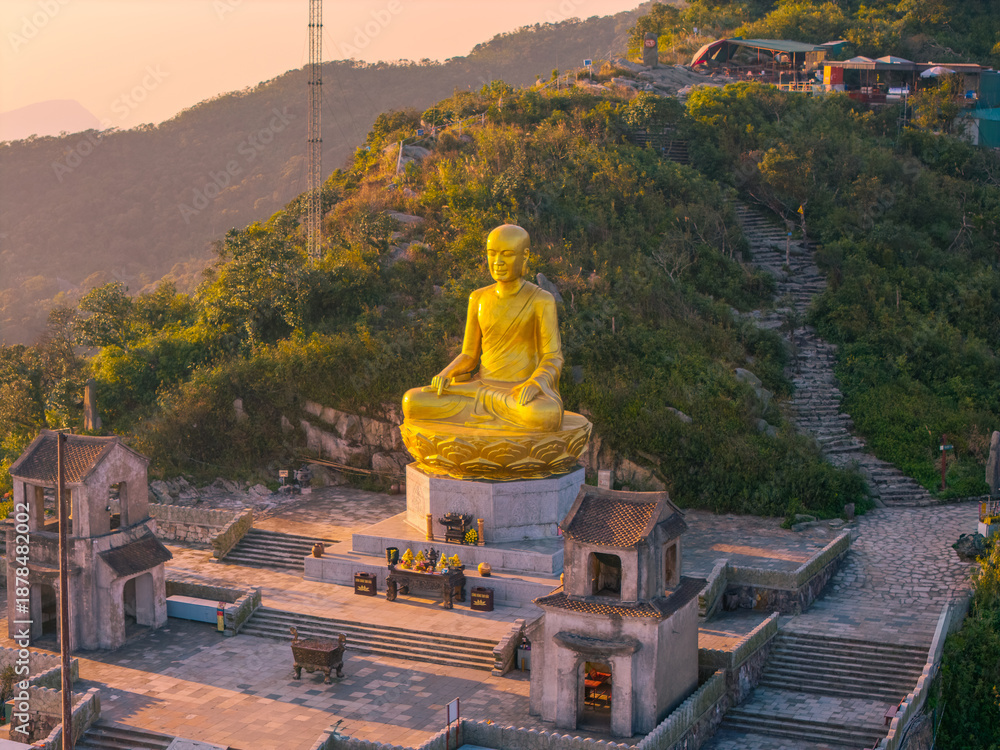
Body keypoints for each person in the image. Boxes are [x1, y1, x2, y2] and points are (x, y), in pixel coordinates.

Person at [402, 224, 564, 432]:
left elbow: (553, 357)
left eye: (506, 255)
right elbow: (469, 355)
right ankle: (493, 419)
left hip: (517, 391)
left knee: (543, 414)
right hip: (479, 388)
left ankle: (495, 418)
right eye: (492, 254)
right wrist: (446, 373)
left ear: (525, 256)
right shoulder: (478, 298)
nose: (498, 262)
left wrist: (535, 384)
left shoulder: (541, 300)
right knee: (412, 401)